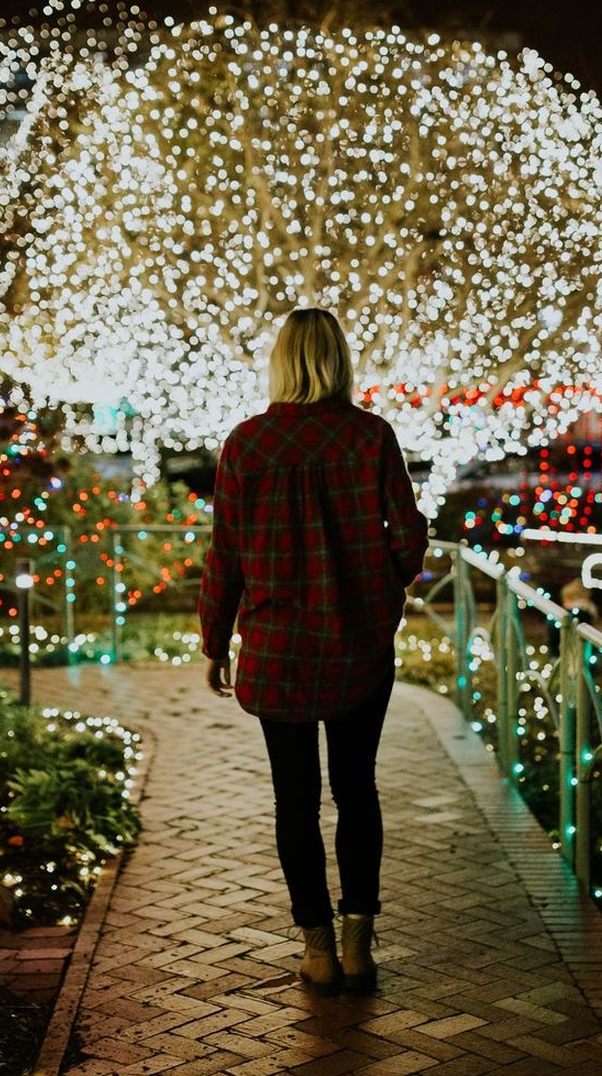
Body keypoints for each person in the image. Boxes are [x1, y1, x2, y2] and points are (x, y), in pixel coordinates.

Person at [198, 307, 429, 994]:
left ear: (281, 361)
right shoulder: (370, 436)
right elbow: (409, 535)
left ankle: (318, 948)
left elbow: (226, 555)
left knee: (293, 800)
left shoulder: (246, 445)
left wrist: (214, 641)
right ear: (339, 360)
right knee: (357, 789)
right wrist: (384, 587)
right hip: (358, 646)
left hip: (277, 650)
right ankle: (359, 942)